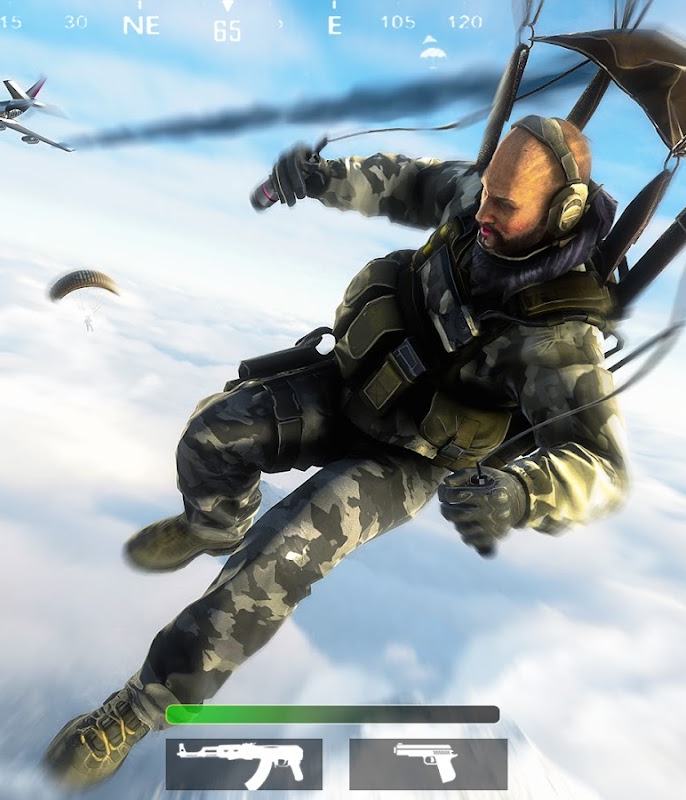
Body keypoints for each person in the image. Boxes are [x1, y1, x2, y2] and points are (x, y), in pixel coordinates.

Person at [44, 116, 630, 788]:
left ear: (563, 211)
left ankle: (139, 709)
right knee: (211, 434)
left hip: (408, 455)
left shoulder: (558, 334)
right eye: (488, 192)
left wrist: (523, 492)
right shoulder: (478, 204)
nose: (484, 213)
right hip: (353, 382)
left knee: (280, 555)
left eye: (505, 203)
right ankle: (214, 522)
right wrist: (321, 179)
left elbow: (600, 465)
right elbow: (407, 182)